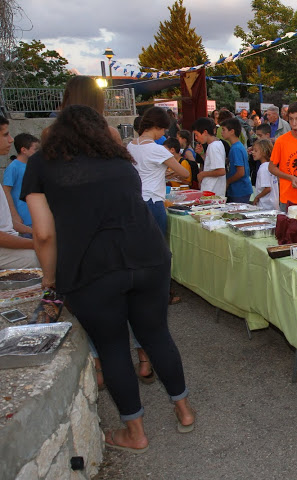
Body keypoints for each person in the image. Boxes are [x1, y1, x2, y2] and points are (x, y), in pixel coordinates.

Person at [22, 105, 195, 453]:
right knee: (157, 333)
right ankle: (184, 410)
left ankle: (135, 433)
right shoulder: (118, 159)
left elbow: (42, 233)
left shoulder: (42, 164)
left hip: (91, 268)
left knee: (113, 346)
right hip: (148, 256)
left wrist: (51, 279)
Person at [127, 107, 189, 235]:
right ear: (157, 127)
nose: (164, 133)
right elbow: (185, 173)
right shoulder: (158, 150)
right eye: (164, 129)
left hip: (135, 199)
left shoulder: (131, 145)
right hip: (153, 201)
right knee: (158, 244)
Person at [0, 117, 39, 268]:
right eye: (5, 135)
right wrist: (35, 244)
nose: (11, 140)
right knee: (47, 256)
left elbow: (6, 225)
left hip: (14, 235)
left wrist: (35, 233)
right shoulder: (14, 167)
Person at [3, 133, 38, 236]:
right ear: (24, 150)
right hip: (23, 219)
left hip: (35, 216)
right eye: (35, 149)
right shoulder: (13, 167)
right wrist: (14, 215)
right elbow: (6, 191)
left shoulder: (33, 165)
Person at [192, 117, 227, 196]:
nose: (196, 138)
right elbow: (213, 164)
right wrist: (202, 154)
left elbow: (221, 171)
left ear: (205, 132)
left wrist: (203, 174)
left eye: (197, 135)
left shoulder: (213, 146)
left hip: (212, 191)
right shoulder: (215, 144)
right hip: (212, 191)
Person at [221, 117, 252, 203]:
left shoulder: (236, 149)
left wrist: (228, 181)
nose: (221, 132)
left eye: (224, 130)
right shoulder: (236, 146)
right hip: (238, 189)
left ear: (232, 131)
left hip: (239, 190)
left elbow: (240, 172)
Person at [251, 139, 279, 211]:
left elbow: (267, 188)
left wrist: (257, 197)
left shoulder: (263, 168)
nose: (253, 152)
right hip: (273, 203)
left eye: (256, 151)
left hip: (266, 205)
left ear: (264, 152)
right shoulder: (271, 166)